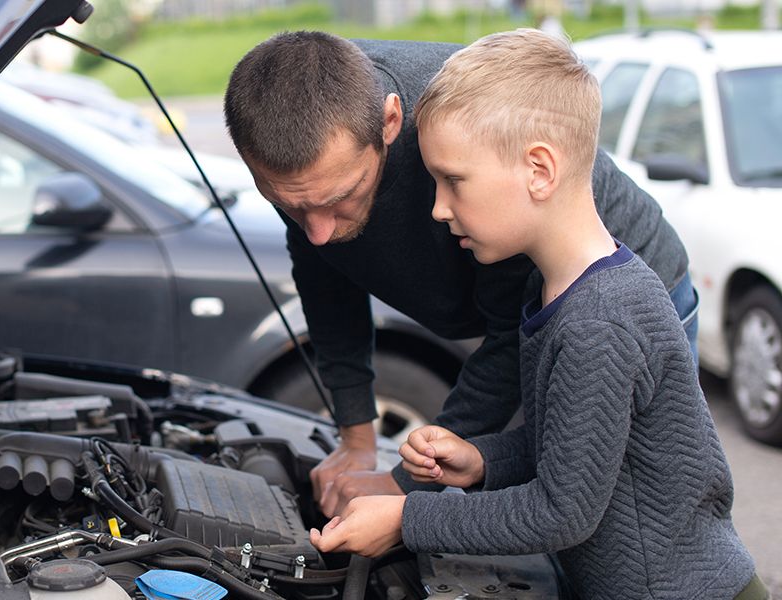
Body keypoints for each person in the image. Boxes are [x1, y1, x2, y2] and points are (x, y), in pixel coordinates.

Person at [307, 29, 761, 599]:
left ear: (539, 170)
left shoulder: (598, 324)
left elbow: (561, 512)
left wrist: (405, 517)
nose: (439, 208)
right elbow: (581, 446)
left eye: (453, 181)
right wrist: (482, 459)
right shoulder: (561, 294)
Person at [223, 30, 698, 517]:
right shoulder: (300, 158)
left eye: (339, 197)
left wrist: (404, 492)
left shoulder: (467, 144)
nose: (317, 232)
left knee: (629, 515)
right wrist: (356, 439)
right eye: (289, 206)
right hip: (521, 315)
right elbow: (326, 282)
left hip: (605, 298)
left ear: (390, 121)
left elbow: (510, 348)